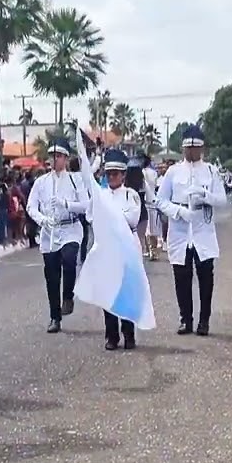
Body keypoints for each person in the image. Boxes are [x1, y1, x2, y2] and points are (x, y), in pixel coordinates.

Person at [156, 125, 227, 335]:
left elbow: (222, 200)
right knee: (181, 276)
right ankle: (185, 319)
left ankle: (204, 321)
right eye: (188, 148)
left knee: (206, 277)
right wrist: (178, 211)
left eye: (195, 148)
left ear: (202, 149)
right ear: (183, 148)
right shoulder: (173, 171)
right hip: (180, 230)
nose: (191, 152)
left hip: (202, 229)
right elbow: (160, 201)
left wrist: (205, 195)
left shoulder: (211, 171)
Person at [26, 139, 91, 333]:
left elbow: (86, 204)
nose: (55, 160)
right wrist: (42, 219)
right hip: (49, 232)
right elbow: (31, 206)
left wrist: (66, 204)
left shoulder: (75, 179)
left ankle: (68, 295)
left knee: (70, 260)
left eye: (59, 156)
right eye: (52, 156)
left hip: (70, 228)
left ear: (66, 158)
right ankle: (55, 316)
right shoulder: (41, 182)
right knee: (51, 275)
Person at [101, 150, 141, 351]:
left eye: (115, 173)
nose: (111, 177)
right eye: (108, 174)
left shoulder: (130, 195)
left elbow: (132, 219)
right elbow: (94, 218)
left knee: (126, 292)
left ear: (123, 175)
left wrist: (113, 216)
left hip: (127, 245)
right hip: (108, 245)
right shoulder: (102, 196)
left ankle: (129, 334)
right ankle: (111, 335)